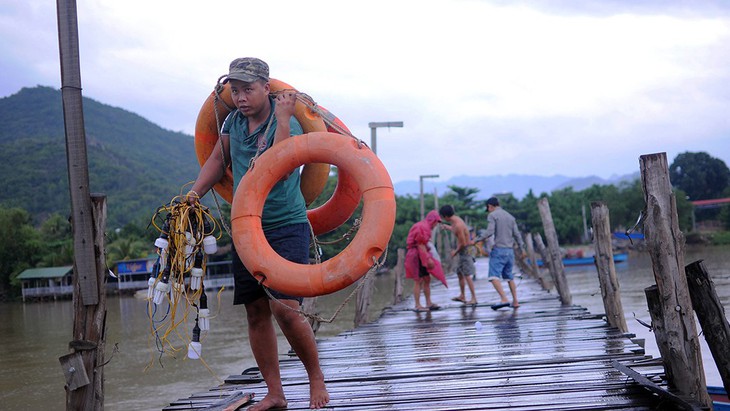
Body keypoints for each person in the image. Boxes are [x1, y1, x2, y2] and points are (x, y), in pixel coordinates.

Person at [186, 57, 328, 411]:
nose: (241, 96)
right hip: (246, 226)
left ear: (267, 88)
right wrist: (191, 195)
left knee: (286, 310)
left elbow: (281, 169)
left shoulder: (289, 123)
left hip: (285, 225)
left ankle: (316, 379)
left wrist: (282, 118)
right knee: (255, 310)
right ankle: (275, 393)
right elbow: (219, 160)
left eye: (248, 89)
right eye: (235, 90)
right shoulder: (232, 121)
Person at [484, 197, 526, 310]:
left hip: (499, 250)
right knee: (509, 276)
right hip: (510, 251)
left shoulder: (492, 215)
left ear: (490, 206)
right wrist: (523, 249)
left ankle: (504, 299)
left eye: (488, 208)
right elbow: (517, 235)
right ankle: (515, 301)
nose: (488, 211)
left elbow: (490, 231)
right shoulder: (510, 217)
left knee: (493, 276)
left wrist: (476, 240)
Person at [404, 210, 445, 312]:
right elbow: (420, 244)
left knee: (427, 279)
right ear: (433, 220)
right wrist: (428, 259)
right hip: (416, 255)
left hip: (421, 253)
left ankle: (429, 303)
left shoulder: (425, 226)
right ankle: (418, 305)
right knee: (418, 280)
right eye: (436, 222)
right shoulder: (422, 227)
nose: (436, 225)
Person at [439, 205, 477, 305]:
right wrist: (448, 227)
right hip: (462, 251)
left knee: (467, 275)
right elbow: (456, 230)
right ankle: (462, 295)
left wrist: (454, 252)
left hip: (466, 251)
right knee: (460, 273)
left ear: (446, 216)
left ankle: (474, 298)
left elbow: (463, 243)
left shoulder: (458, 225)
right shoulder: (455, 221)